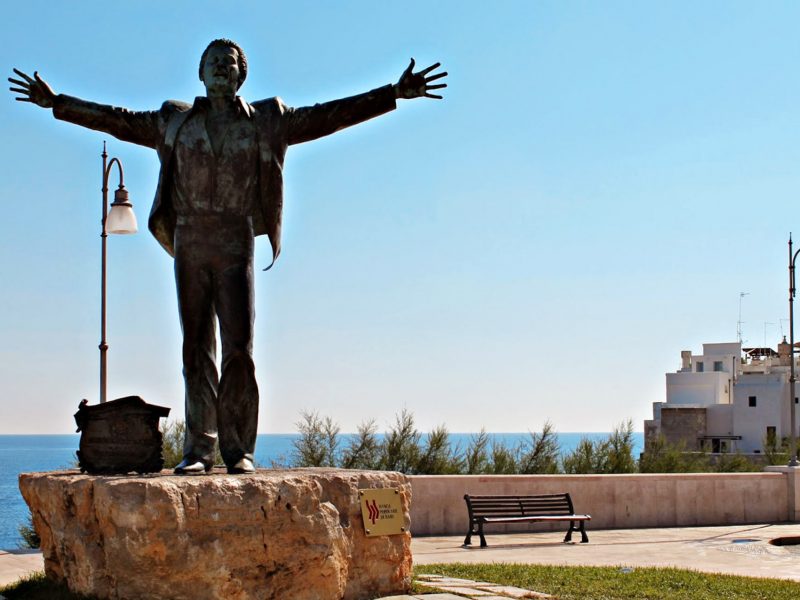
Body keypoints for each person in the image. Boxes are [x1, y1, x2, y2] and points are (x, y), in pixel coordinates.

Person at [9, 39, 447, 474]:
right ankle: (199, 450)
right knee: (195, 348)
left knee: (239, 349)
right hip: (190, 238)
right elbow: (117, 121)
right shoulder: (173, 121)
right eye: (213, 62)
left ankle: (239, 452)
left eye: (229, 62)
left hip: (236, 238)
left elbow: (326, 117)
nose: (221, 67)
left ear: (241, 75)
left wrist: (391, 93)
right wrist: (57, 103)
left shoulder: (267, 120)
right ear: (200, 73)